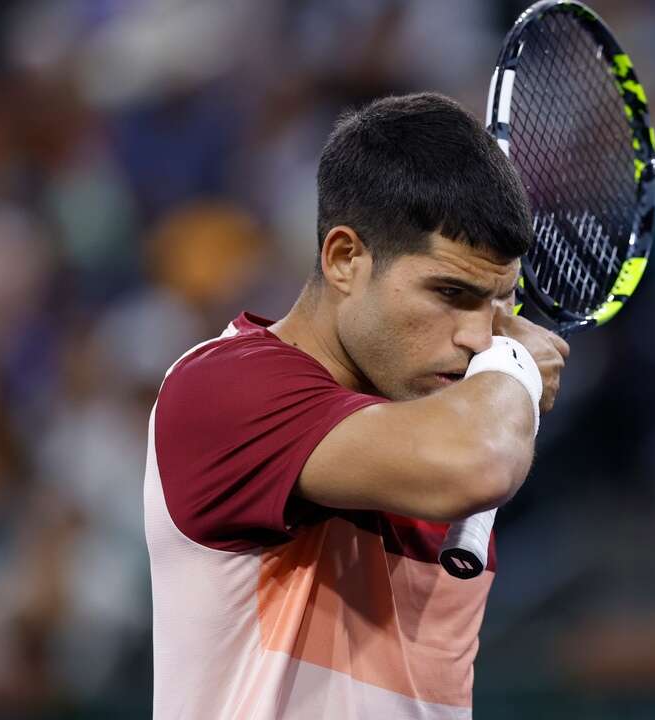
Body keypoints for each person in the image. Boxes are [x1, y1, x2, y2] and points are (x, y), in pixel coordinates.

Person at [144, 93, 569, 719]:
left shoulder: (446, 421)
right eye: (450, 292)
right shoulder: (222, 390)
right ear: (345, 258)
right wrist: (515, 368)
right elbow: (477, 462)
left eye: (497, 303)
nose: (479, 338)